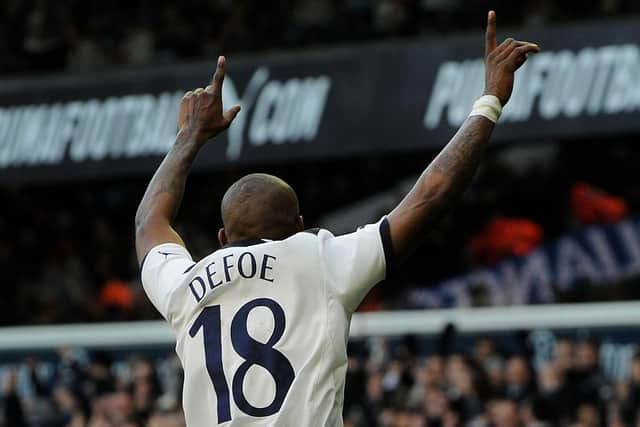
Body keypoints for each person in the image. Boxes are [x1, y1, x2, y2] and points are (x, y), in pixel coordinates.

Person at [134, 11, 539, 426]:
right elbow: (431, 196)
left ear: (223, 238)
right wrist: (489, 101)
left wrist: (188, 138)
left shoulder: (185, 286)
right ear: (299, 225)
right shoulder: (319, 258)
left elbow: (149, 221)